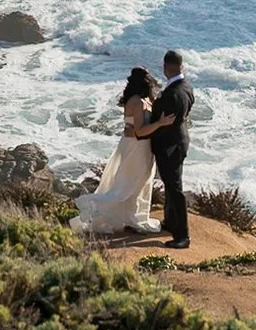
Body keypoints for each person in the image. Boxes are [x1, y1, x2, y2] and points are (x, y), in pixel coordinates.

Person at [69, 67, 163, 234]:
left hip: (137, 145)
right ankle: (91, 204)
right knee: (127, 186)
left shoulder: (140, 100)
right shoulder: (138, 102)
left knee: (137, 183)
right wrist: (160, 124)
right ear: (146, 82)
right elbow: (139, 131)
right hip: (136, 146)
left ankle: (132, 217)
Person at [137, 49, 193, 248]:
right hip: (180, 141)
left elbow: (157, 120)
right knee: (171, 185)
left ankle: (183, 236)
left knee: (175, 188)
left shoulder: (172, 94)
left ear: (165, 68)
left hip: (170, 146)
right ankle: (170, 222)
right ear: (181, 66)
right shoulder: (186, 87)